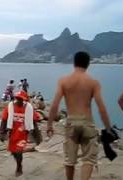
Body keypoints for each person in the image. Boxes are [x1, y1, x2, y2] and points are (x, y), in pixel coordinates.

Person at [47, 52, 112, 180]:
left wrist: (49, 124)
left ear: (74, 63)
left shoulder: (63, 81)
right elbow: (101, 108)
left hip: (71, 123)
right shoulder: (93, 83)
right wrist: (108, 127)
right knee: (88, 159)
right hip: (88, 123)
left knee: (69, 159)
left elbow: (55, 105)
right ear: (88, 64)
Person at [0, 91, 40, 177]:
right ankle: (18, 163)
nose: (19, 100)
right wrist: (2, 133)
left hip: (23, 134)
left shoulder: (29, 108)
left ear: (24, 100)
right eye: (17, 98)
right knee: (13, 152)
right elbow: (4, 119)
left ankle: (19, 166)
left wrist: (36, 136)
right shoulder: (10, 107)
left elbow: (34, 121)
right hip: (12, 133)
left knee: (18, 151)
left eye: (21, 99)